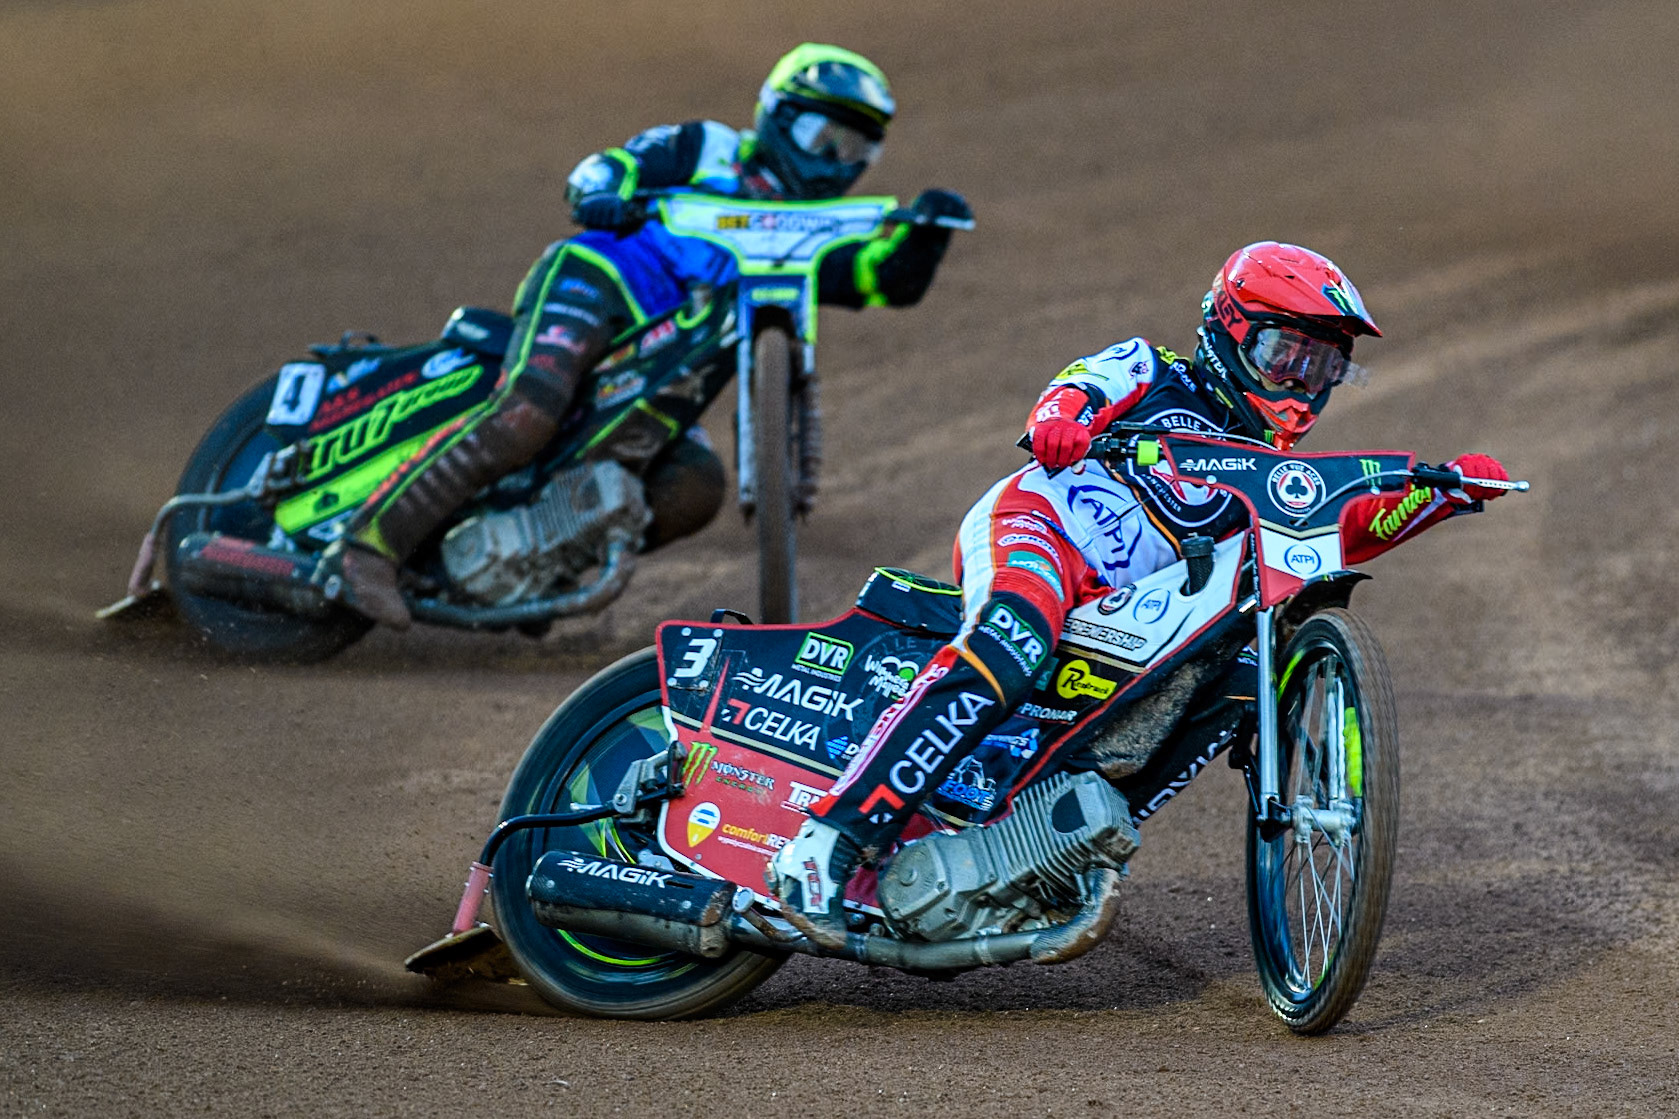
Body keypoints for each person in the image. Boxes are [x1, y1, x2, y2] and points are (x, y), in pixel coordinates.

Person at [768, 240, 1510, 947]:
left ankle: (1053, 846)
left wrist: (1443, 494)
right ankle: (826, 840)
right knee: (1013, 636)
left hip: (1122, 613)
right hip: (1041, 526)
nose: (1294, 381)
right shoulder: (1152, 368)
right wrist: (1059, 421)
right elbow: (1080, 387)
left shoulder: (1274, 477)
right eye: (1282, 352)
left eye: (1318, 367)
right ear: (1229, 331)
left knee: (1241, 674)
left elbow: (1343, 528)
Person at [323, 43, 971, 628]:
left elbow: (877, 278)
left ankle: (528, 571)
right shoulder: (708, 149)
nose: (834, 162)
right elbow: (605, 170)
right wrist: (605, 194)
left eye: (855, 149)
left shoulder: (819, 229)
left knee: (695, 484)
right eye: (820, 135)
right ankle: (367, 545)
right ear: (776, 114)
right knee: (529, 408)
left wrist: (929, 234)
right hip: (604, 280)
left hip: (663, 378)